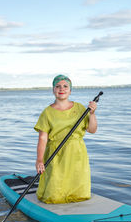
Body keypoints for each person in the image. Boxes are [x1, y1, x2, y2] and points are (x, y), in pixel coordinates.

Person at [34, 74, 97, 204]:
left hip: (77, 152)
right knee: (55, 188)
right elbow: (42, 139)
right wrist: (39, 159)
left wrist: (92, 113)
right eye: (57, 86)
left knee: (77, 184)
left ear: (70, 90)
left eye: (65, 86)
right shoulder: (47, 112)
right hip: (55, 153)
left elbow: (92, 130)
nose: (61, 89)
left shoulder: (80, 108)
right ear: (53, 90)